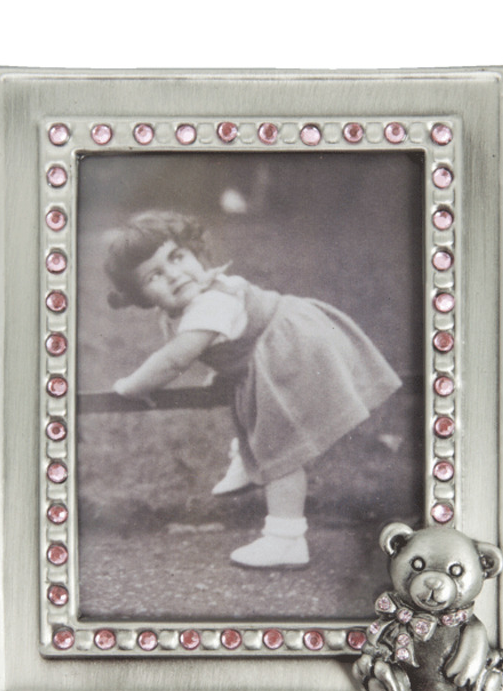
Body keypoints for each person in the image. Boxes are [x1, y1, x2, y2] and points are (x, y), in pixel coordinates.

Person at [105, 210, 402, 568]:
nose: (173, 274)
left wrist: (132, 386)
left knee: (282, 447)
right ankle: (248, 460)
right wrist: (227, 369)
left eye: (177, 257)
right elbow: (232, 340)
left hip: (290, 350)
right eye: (154, 275)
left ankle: (286, 539)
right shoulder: (194, 300)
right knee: (252, 408)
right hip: (273, 347)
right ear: (141, 296)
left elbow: (174, 360)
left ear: (195, 252)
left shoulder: (209, 303)